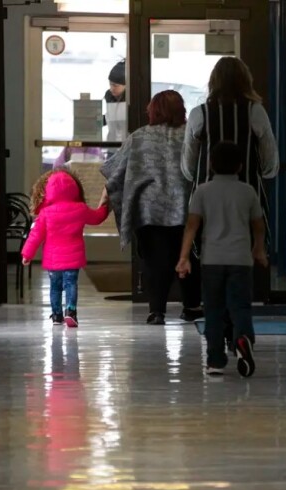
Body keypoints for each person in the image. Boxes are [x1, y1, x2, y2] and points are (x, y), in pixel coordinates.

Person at [181, 56, 279, 343]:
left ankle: (220, 324)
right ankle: (238, 326)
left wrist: (198, 177)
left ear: (213, 82)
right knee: (240, 261)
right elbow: (271, 161)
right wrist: (260, 172)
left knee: (211, 259)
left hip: (206, 198)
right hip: (246, 194)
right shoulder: (255, 112)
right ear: (245, 80)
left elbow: (188, 164)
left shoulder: (200, 113)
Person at [101, 90, 200, 325]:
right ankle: (192, 306)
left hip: (148, 211)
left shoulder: (139, 137)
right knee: (190, 257)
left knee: (156, 262)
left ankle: (157, 311)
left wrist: (106, 196)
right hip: (187, 208)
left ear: (153, 110)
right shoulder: (191, 135)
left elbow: (115, 172)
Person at [176, 141, 268, 378]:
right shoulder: (248, 191)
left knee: (214, 310)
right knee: (240, 307)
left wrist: (184, 257)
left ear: (211, 165)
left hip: (212, 261)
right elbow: (258, 224)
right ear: (239, 166)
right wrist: (258, 249)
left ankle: (215, 361)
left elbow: (191, 227)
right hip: (240, 260)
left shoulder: (203, 191)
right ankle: (243, 338)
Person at [21, 170, 110, 328]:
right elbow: (96, 218)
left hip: (53, 259)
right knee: (71, 284)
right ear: (74, 189)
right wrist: (105, 206)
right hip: (73, 258)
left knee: (55, 286)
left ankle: (56, 315)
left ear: (49, 191)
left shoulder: (46, 213)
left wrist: (27, 254)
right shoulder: (80, 209)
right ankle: (71, 312)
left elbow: (35, 235)